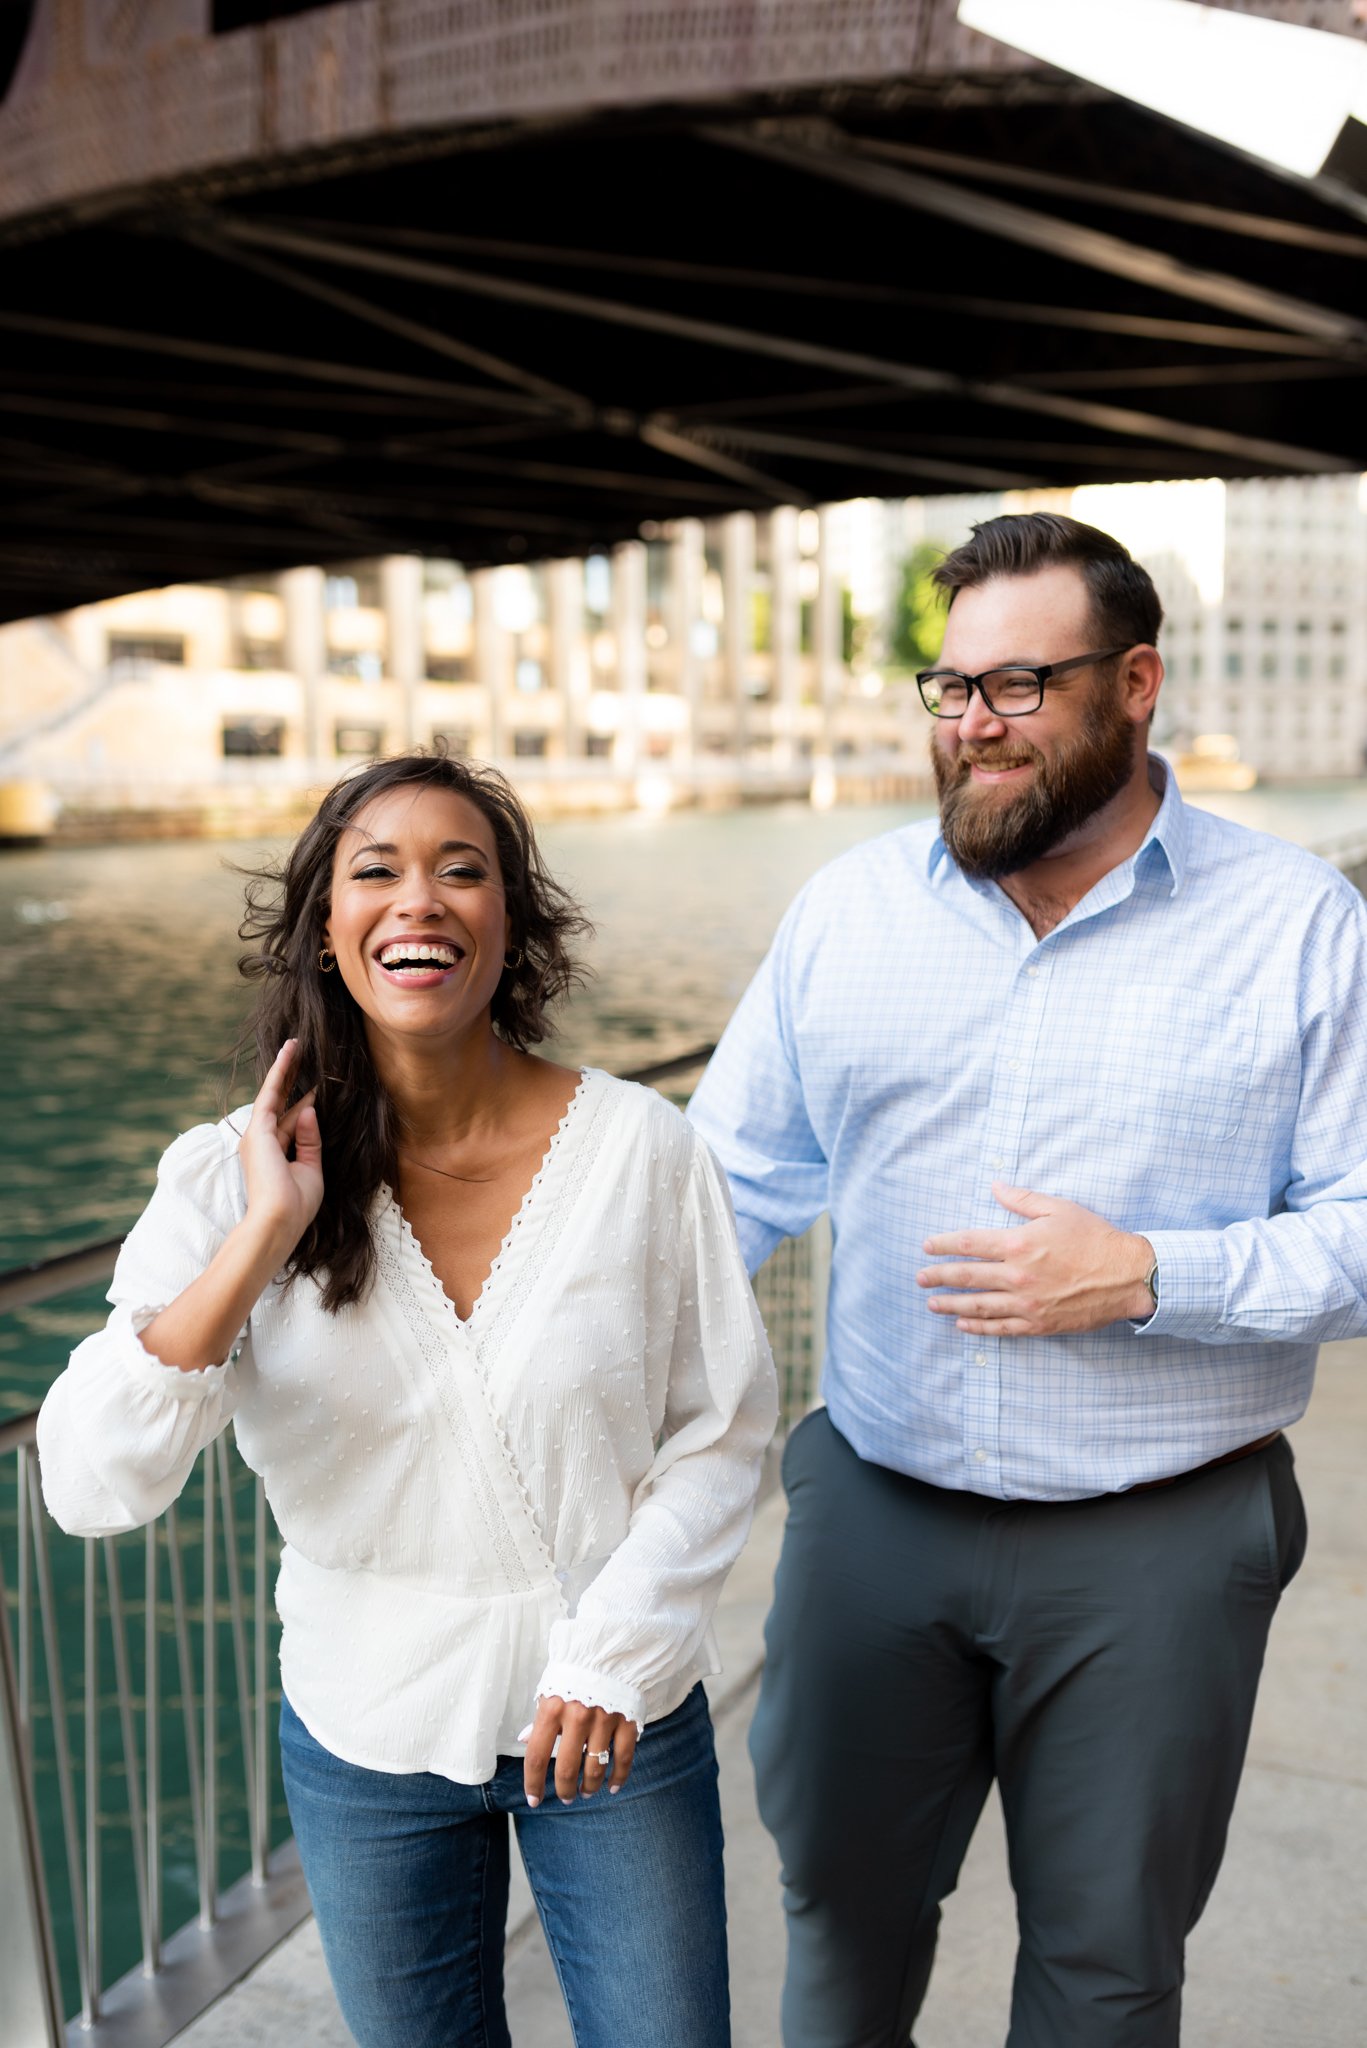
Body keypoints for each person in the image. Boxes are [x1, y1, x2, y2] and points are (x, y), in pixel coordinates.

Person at [689, 511, 1367, 2048]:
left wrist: (1145, 1275)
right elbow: (723, 1190)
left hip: (1163, 1540)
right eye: (954, 688)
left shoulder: (1302, 927)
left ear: (1136, 684)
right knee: (839, 1915)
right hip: (876, 1511)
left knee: (1107, 1964)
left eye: (1021, 687)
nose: (975, 727)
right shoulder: (845, 914)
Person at [39, 751, 776, 2048]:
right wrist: (265, 1236)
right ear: (327, 929)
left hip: (612, 1713)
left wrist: (617, 1652)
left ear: (513, 922)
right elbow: (92, 1484)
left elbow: (725, 1433)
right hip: (365, 1729)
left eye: (462, 870)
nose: (418, 899)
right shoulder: (229, 1178)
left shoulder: (643, 1152)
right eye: (373, 871)